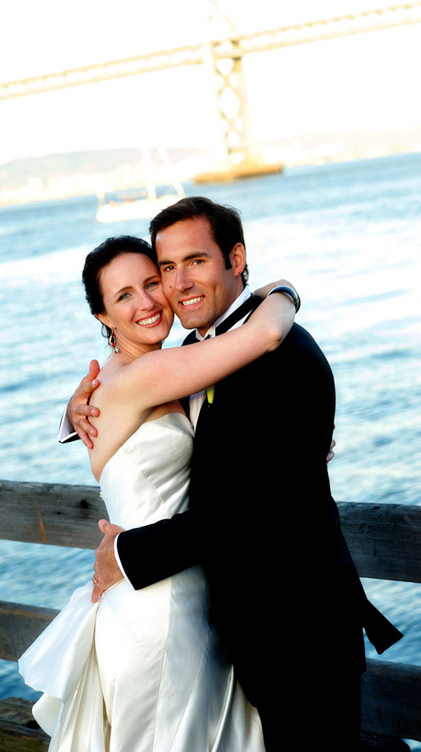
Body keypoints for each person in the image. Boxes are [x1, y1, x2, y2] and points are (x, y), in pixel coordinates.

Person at [64, 197, 403, 752]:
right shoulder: (194, 355)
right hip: (220, 623)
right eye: (166, 268)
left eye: (192, 261)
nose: (172, 286)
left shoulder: (280, 356)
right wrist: (74, 407)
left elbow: (247, 511)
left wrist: (126, 554)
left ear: (236, 257)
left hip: (297, 628)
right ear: (103, 315)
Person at [19, 232, 300, 751]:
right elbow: (263, 337)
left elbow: (230, 436)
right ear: (103, 317)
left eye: (152, 282)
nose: (147, 302)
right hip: (159, 606)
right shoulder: (139, 377)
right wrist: (283, 293)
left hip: (188, 592)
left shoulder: (168, 370)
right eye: (124, 295)